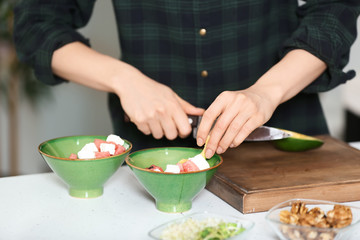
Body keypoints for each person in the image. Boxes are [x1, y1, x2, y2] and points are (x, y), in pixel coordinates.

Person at [14, 1, 360, 158]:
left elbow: (336, 11)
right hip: (154, 157)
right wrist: (124, 80)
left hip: (283, 145)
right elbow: (36, 26)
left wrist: (266, 92)